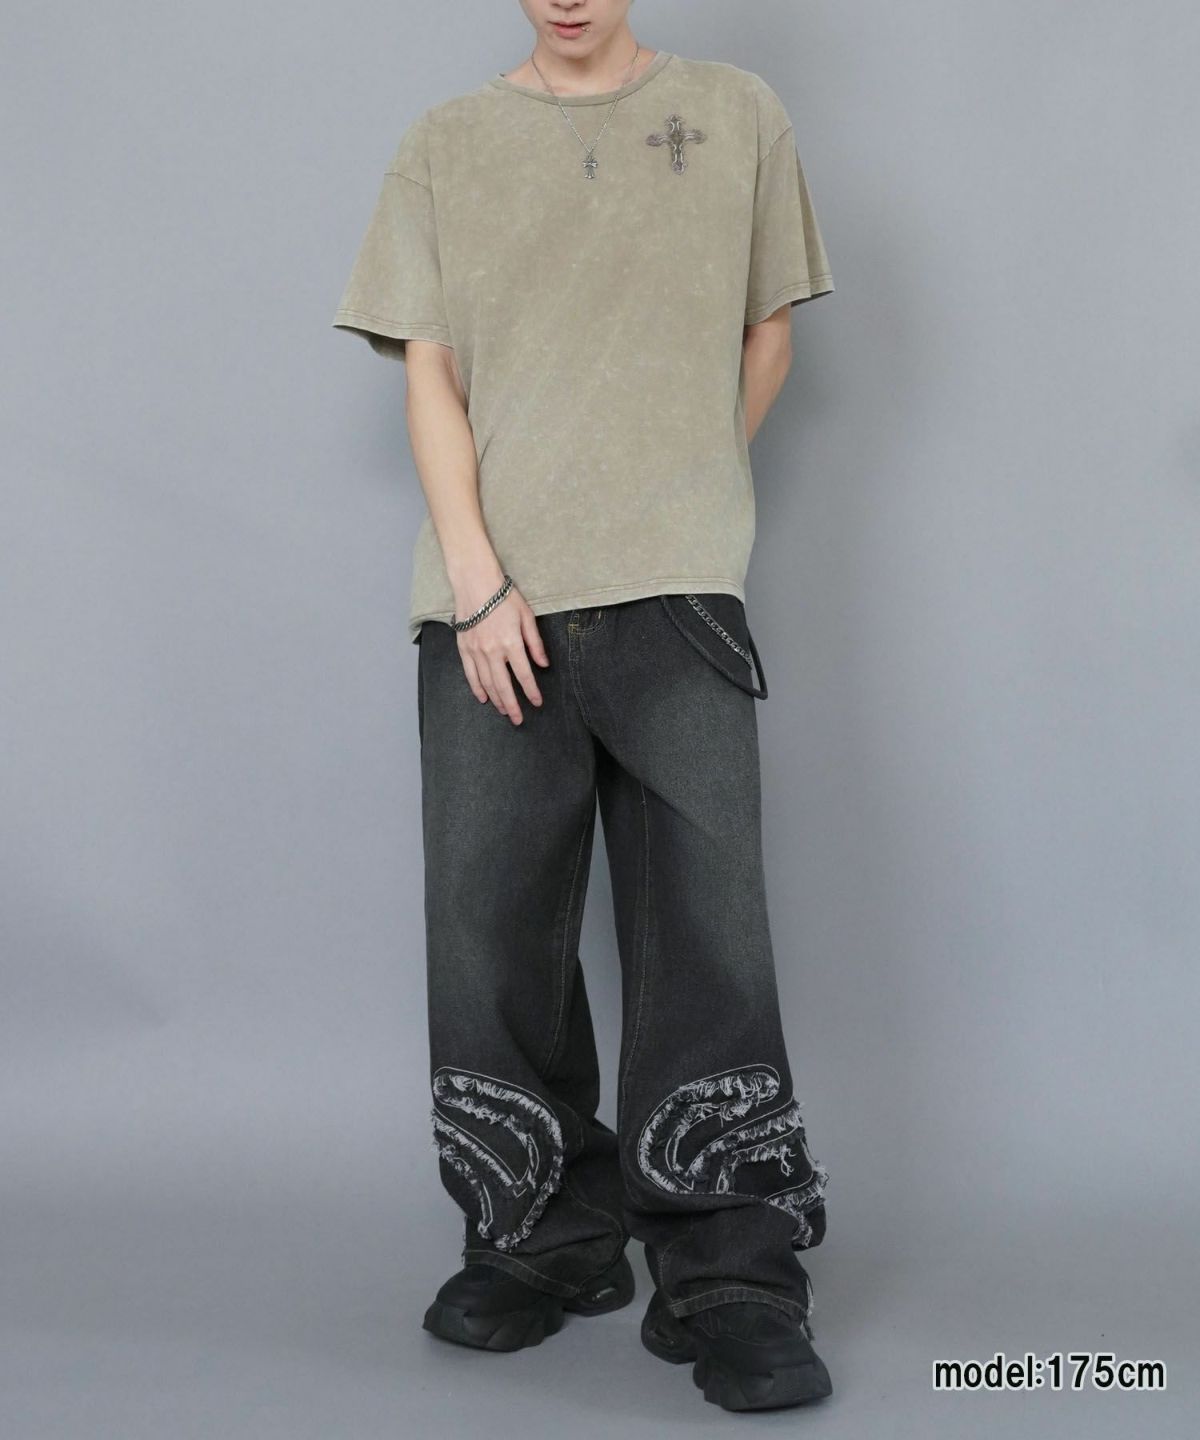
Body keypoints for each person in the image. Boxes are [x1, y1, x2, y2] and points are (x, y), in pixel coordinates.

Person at [331, 0, 836, 1413]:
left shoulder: (738, 115)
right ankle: (539, 1241)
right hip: (491, 605)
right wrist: (481, 582)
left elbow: (770, 336)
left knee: (709, 930)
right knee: (489, 929)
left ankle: (730, 1273)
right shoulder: (446, 144)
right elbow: (430, 376)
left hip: (678, 593)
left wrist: (680, 496)